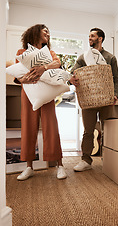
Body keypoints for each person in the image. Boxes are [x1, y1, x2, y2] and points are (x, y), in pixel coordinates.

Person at [16, 24, 67, 180]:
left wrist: (42, 68)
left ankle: (60, 165)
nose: (48, 34)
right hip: (28, 93)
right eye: (45, 31)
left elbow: (57, 63)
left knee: (51, 126)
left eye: (49, 32)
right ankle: (29, 167)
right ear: (35, 32)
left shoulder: (50, 53)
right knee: (28, 127)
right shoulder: (21, 52)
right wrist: (22, 79)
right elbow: (18, 74)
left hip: (47, 93)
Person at [70, 28, 118, 172]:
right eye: (89, 36)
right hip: (88, 99)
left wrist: (115, 94)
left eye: (92, 36)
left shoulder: (110, 58)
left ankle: (109, 158)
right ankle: (86, 160)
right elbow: (74, 72)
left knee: (108, 130)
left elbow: (116, 79)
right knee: (88, 131)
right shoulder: (83, 57)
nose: (89, 38)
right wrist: (72, 80)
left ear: (100, 38)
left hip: (106, 99)